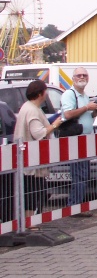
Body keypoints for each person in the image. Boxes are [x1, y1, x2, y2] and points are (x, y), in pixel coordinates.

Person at [13, 80, 64, 216]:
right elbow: (38, 133)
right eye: (45, 91)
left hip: (28, 160)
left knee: (33, 192)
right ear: (41, 93)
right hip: (32, 163)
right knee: (34, 193)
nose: (46, 94)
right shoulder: (32, 111)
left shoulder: (27, 107)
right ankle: (30, 222)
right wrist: (55, 125)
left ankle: (29, 221)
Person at [61, 67, 97, 213]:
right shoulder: (69, 94)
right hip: (75, 140)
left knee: (84, 174)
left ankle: (77, 205)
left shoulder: (84, 95)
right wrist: (86, 107)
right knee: (79, 174)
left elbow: (84, 117)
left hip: (84, 139)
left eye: (84, 75)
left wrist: (94, 113)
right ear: (73, 78)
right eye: (79, 75)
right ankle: (74, 206)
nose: (82, 77)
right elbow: (67, 114)